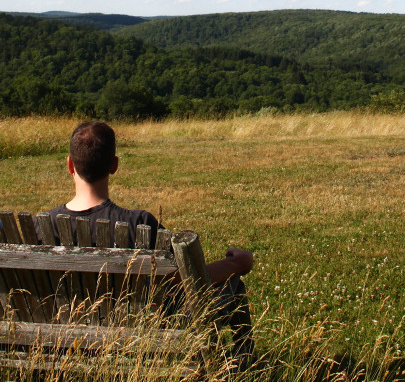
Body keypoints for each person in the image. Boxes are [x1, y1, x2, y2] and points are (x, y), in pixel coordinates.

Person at [47, 120, 255, 363]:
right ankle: (242, 372)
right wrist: (235, 266)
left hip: (62, 344)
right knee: (233, 284)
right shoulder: (139, 223)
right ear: (114, 165)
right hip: (133, 344)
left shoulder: (42, 227)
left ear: (70, 165)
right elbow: (187, 278)